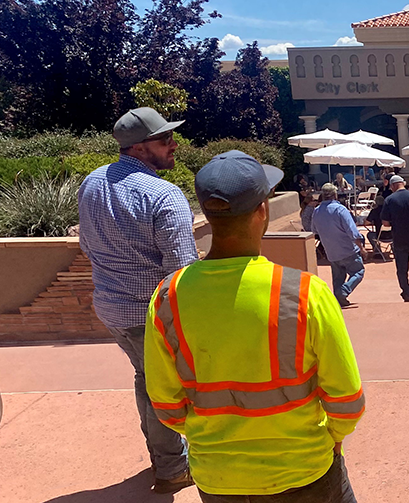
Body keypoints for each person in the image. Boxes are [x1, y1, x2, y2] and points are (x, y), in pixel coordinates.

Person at [145, 151, 365, 502]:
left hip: (218, 478)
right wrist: (333, 437)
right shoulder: (306, 292)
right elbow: (347, 400)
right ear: (262, 210)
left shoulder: (168, 297)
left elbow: (167, 406)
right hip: (305, 471)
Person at [77, 107, 195, 494]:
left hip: (111, 309)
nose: (173, 145)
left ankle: (165, 459)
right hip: (152, 315)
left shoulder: (92, 182)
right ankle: (173, 468)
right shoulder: (164, 194)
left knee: (146, 381)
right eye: (165, 140)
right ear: (142, 149)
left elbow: (86, 244)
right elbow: (182, 272)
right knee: (165, 388)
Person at [313, 184, 366, 307]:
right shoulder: (340, 210)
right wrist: (362, 248)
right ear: (335, 195)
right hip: (348, 250)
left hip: (331, 252)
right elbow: (353, 232)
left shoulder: (317, 211)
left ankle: (339, 299)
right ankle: (344, 291)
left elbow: (314, 230)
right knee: (358, 271)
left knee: (338, 278)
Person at [363, 194, 389, 262]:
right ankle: (394, 249)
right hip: (392, 234)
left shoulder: (375, 211)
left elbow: (366, 223)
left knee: (370, 234)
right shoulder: (390, 210)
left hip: (380, 235)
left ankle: (377, 251)